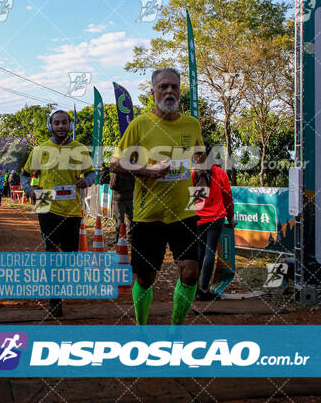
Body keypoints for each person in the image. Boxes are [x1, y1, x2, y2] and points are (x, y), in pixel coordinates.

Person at [110, 68, 204, 325]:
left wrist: (203, 179)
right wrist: (146, 171)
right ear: (153, 92)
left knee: (190, 272)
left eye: (174, 86)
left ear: (180, 90)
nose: (170, 91)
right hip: (148, 214)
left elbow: (199, 157)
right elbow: (115, 163)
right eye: (163, 87)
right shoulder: (140, 124)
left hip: (183, 213)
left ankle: (176, 330)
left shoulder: (192, 124)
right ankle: (141, 327)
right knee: (145, 277)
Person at [21, 109, 95, 318]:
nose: (60, 126)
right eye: (56, 123)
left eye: (64, 123)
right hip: (45, 204)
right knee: (52, 251)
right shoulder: (41, 149)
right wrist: (29, 191)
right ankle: (55, 299)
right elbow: (25, 175)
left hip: (71, 207)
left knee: (70, 256)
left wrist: (86, 180)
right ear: (50, 126)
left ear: (70, 125)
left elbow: (91, 172)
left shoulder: (79, 149)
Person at [191, 142, 236, 301]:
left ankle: (193, 289)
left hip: (198, 218)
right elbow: (228, 199)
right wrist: (231, 218)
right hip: (216, 218)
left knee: (199, 252)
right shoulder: (220, 173)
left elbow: (191, 199)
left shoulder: (193, 173)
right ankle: (204, 290)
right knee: (210, 252)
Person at [110, 170, 134, 243]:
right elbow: (135, 184)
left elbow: (112, 185)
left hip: (119, 198)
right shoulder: (131, 171)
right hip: (129, 197)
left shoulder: (117, 171)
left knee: (120, 219)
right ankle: (131, 237)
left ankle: (119, 238)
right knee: (130, 218)